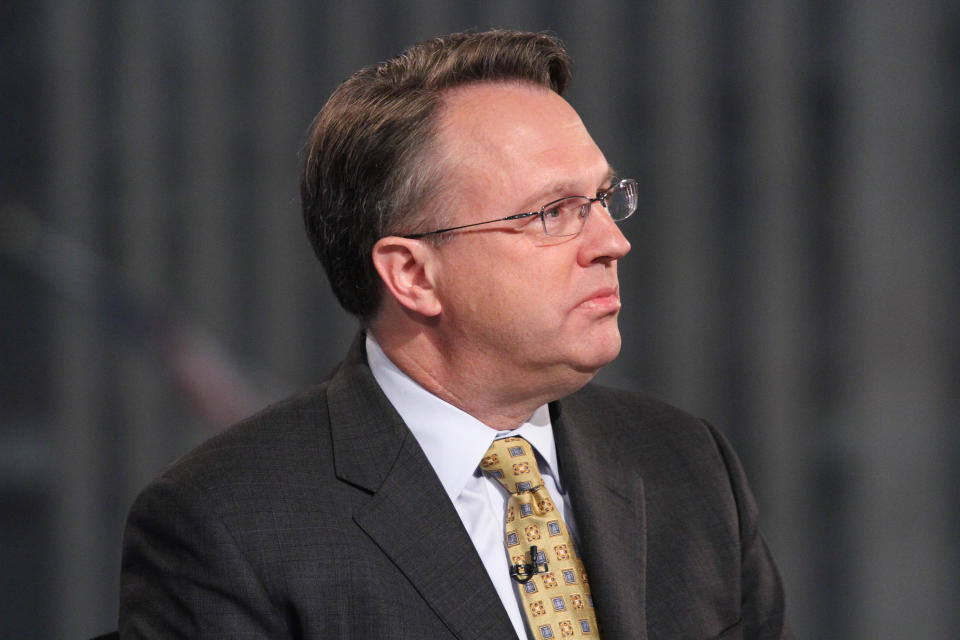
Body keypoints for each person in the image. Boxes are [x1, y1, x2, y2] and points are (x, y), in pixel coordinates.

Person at [120, 30, 791, 639]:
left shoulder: (688, 466)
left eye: (606, 199)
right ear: (413, 274)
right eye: (555, 213)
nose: (612, 241)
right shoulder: (228, 523)